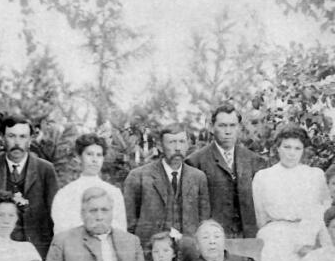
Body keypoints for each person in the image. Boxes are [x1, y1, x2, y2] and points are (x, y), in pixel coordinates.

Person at [252, 126, 329, 261]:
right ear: (277, 148)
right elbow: (261, 217)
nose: (291, 152)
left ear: (304, 150)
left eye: (297, 147)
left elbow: (321, 210)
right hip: (275, 233)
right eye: (286, 147)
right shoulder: (263, 176)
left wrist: (308, 239)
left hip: (308, 232)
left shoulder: (315, 175)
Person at [0, 117, 59, 260]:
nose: (17, 142)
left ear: (30, 140)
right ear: (3, 138)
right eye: (11, 136)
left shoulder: (45, 170)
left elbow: (56, 214)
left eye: (22, 137)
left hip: (37, 249)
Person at [185, 102, 267, 238]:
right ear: (212, 128)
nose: (228, 131)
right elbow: (191, 211)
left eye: (232, 125)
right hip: (214, 239)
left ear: (239, 128)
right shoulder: (195, 162)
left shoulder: (255, 161)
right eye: (222, 126)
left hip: (248, 238)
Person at [124, 125, 210, 253]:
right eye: (172, 142)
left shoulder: (198, 177)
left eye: (181, 142)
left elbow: (204, 221)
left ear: (187, 144)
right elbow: (129, 224)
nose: (177, 148)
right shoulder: (139, 176)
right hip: (151, 254)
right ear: (160, 146)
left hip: (188, 254)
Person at [50, 133, 126, 235]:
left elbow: (120, 229)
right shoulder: (65, 193)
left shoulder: (113, 192)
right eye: (89, 154)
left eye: (99, 155)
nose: (94, 160)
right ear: (79, 157)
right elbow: (61, 231)